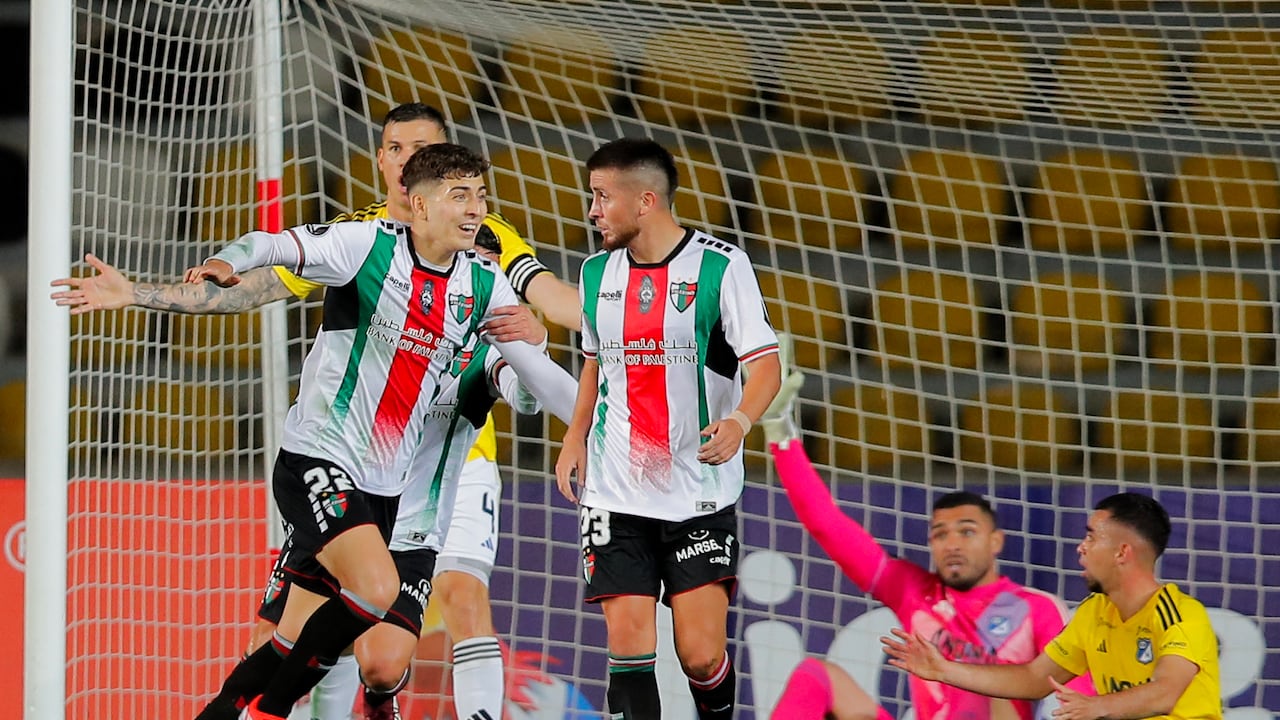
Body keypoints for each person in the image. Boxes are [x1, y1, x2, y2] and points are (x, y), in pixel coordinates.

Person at [51, 103, 582, 720]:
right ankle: (270, 711)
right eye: (395, 147)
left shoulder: (487, 261)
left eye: (476, 193)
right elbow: (262, 269)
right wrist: (154, 289)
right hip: (327, 458)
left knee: (366, 643)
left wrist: (588, 360)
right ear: (402, 181)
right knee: (344, 605)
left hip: (432, 477)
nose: (472, 206)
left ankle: (250, 710)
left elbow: (540, 356)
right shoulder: (358, 242)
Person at [176, 142, 570, 720]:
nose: (465, 287)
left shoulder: (485, 350)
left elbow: (531, 394)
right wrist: (222, 264)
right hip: (345, 484)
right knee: (286, 634)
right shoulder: (381, 279)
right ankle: (246, 708)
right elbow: (280, 248)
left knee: (380, 658)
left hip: (411, 522)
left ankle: (373, 700)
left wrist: (536, 349)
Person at [554, 137, 782, 720]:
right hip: (615, 489)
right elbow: (595, 360)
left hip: (698, 490)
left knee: (701, 657)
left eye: (603, 197)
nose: (593, 210)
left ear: (646, 200)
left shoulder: (720, 266)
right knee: (629, 644)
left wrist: (739, 420)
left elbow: (766, 365)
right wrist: (575, 437)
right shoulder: (596, 271)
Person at [756, 335, 1080, 720]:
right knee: (815, 674)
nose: (952, 543)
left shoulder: (1036, 609)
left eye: (966, 531)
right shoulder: (914, 592)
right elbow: (827, 525)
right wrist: (779, 432)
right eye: (940, 534)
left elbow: (1077, 694)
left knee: (993, 694)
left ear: (997, 541)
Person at [881, 492, 1222, 720]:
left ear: (1122, 553)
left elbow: (1165, 693)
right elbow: (1034, 678)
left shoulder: (1179, 614)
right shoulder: (1094, 612)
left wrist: (1096, 706)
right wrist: (945, 670)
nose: (1080, 547)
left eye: (1091, 536)